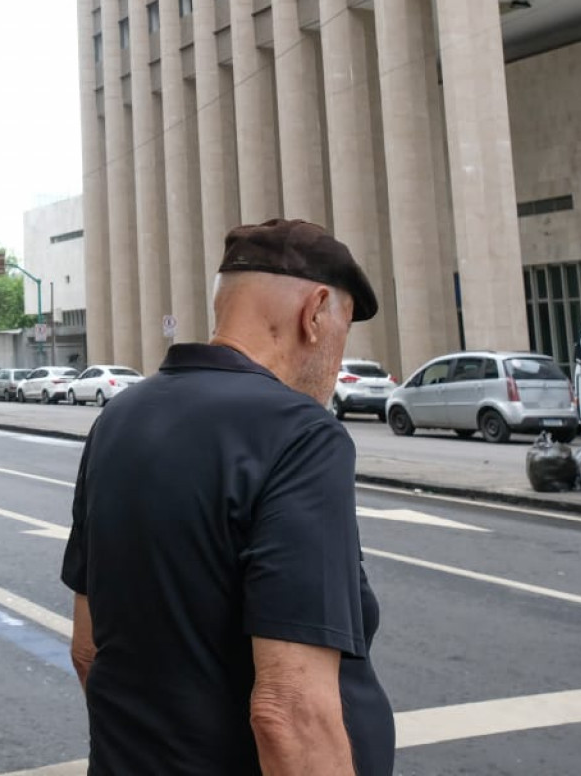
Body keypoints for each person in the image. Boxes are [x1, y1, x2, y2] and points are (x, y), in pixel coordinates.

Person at [62, 219, 394, 776]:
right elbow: (288, 713)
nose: (338, 359)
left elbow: (89, 649)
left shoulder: (120, 418)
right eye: (344, 327)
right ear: (313, 313)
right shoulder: (301, 434)